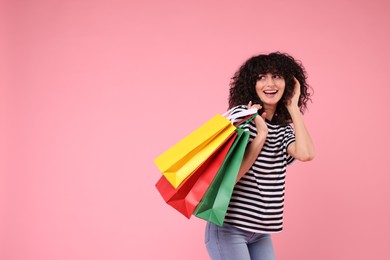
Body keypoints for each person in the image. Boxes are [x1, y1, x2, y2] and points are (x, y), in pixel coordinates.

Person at [205, 52, 315, 260]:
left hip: (261, 231)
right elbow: (229, 177)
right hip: (229, 227)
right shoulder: (241, 117)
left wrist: (293, 108)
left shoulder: (284, 130)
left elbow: (306, 154)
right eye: (261, 77)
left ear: (288, 83)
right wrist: (261, 134)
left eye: (276, 76)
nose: (269, 83)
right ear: (251, 84)